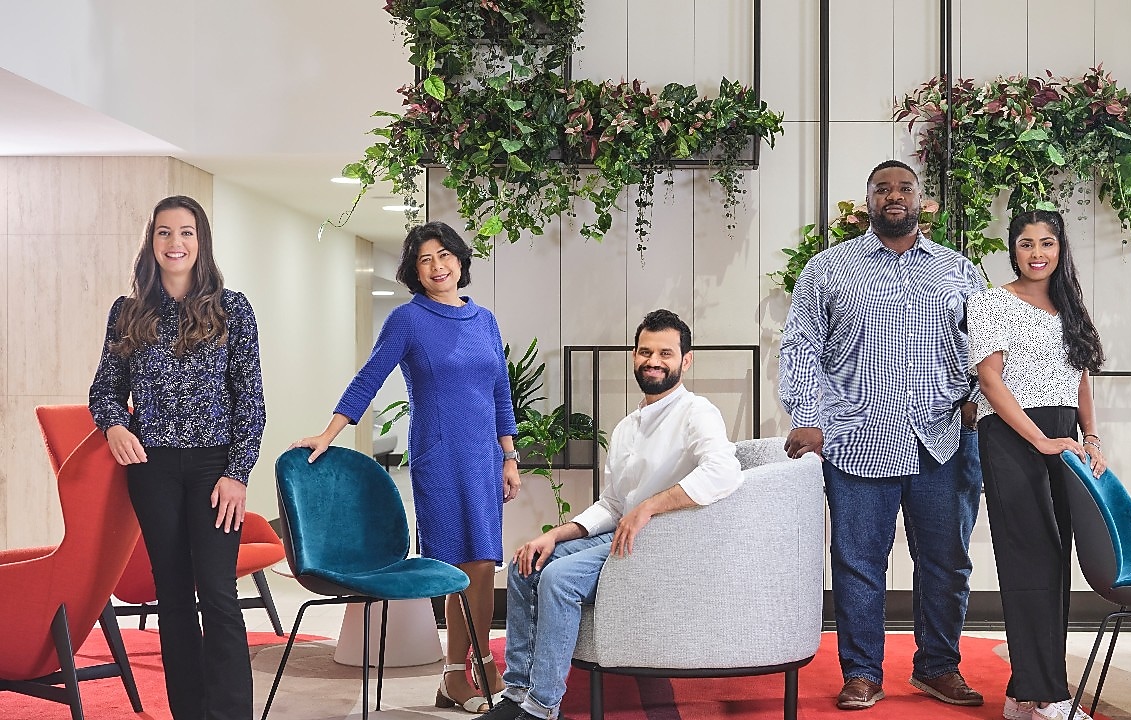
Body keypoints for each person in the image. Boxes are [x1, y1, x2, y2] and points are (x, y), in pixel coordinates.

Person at [778, 160, 987, 710]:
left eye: (904, 188)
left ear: (923, 200)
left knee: (946, 561)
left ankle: (938, 667)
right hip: (855, 441)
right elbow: (800, 346)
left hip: (940, 441)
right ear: (866, 200)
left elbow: (988, 347)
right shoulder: (828, 268)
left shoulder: (959, 271)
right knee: (857, 561)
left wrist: (976, 400)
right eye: (882, 189)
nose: (894, 196)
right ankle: (862, 672)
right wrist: (809, 416)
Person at [292, 221, 518, 713]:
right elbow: (370, 376)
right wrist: (329, 433)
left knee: (482, 564)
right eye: (424, 260)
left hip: (483, 458)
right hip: (438, 456)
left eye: (444, 256)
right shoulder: (408, 320)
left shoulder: (485, 321)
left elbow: (501, 391)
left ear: (460, 260)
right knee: (453, 565)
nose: (437, 267)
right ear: (414, 271)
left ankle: (467, 672)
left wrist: (509, 456)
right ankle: (466, 672)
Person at [477, 309, 743, 720]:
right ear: (634, 356)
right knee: (526, 564)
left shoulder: (697, 412)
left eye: (666, 353)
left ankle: (543, 708)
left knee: (560, 579)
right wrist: (555, 535)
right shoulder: (626, 427)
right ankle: (517, 694)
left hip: (658, 541)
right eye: (645, 351)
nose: (654, 361)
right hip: (621, 535)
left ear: (685, 361)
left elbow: (724, 471)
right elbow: (613, 505)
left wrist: (650, 507)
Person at [89, 195, 265, 720]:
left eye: (186, 232)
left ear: (201, 242)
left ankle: (230, 714)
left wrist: (238, 473)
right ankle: (188, 711)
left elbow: (249, 399)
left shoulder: (232, 309)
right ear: (152, 243)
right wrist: (114, 422)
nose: (175, 243)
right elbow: (105, 389)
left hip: (215, 470)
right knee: (172, 596)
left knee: (216, 593)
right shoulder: (128, 312)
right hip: (153, 471)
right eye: (165, 233)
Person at [968, 210, 1106, 720]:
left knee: (1053, 562)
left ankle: (1024, 691)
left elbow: (1081, 378)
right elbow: (990, 381)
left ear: (1060, 247)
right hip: (1011, 435)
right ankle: (1048, 695)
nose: (1037, 254)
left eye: (1046, 243)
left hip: (1063, 438)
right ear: (1013, 249)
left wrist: (1088, 436)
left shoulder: (1070, 304)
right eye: (1026, 244)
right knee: (1029, 562)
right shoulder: (991, 303)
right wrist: (1042, 440)